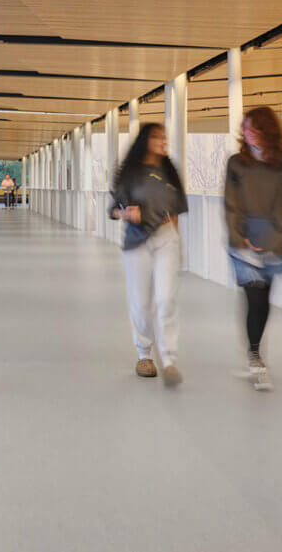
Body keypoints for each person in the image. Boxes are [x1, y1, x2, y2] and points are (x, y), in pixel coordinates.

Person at [108, 123, 188, 386]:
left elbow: (176, 209)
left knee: (166, 299)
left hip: (166, 238)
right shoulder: (129, 173)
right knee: (141, 302)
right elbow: (113, 209)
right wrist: (126, 213)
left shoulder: (168, 171)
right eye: (157, 137)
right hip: (136, 240)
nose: (162, 142)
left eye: (164, 137)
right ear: (145, 140)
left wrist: (177, 242)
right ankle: (144, 355)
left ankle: (169, 359)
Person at [223, 106, 282, 392]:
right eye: (245, 128)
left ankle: (254, 353)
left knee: (265, 300)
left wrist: (267, 238)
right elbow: (231, 204)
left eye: (253, 128)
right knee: (253, 296)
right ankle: (256, 357)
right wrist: (241, 239)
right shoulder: (236, 163)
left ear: (267, 130)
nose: (247, 133)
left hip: (272, 238)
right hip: (241, 239)